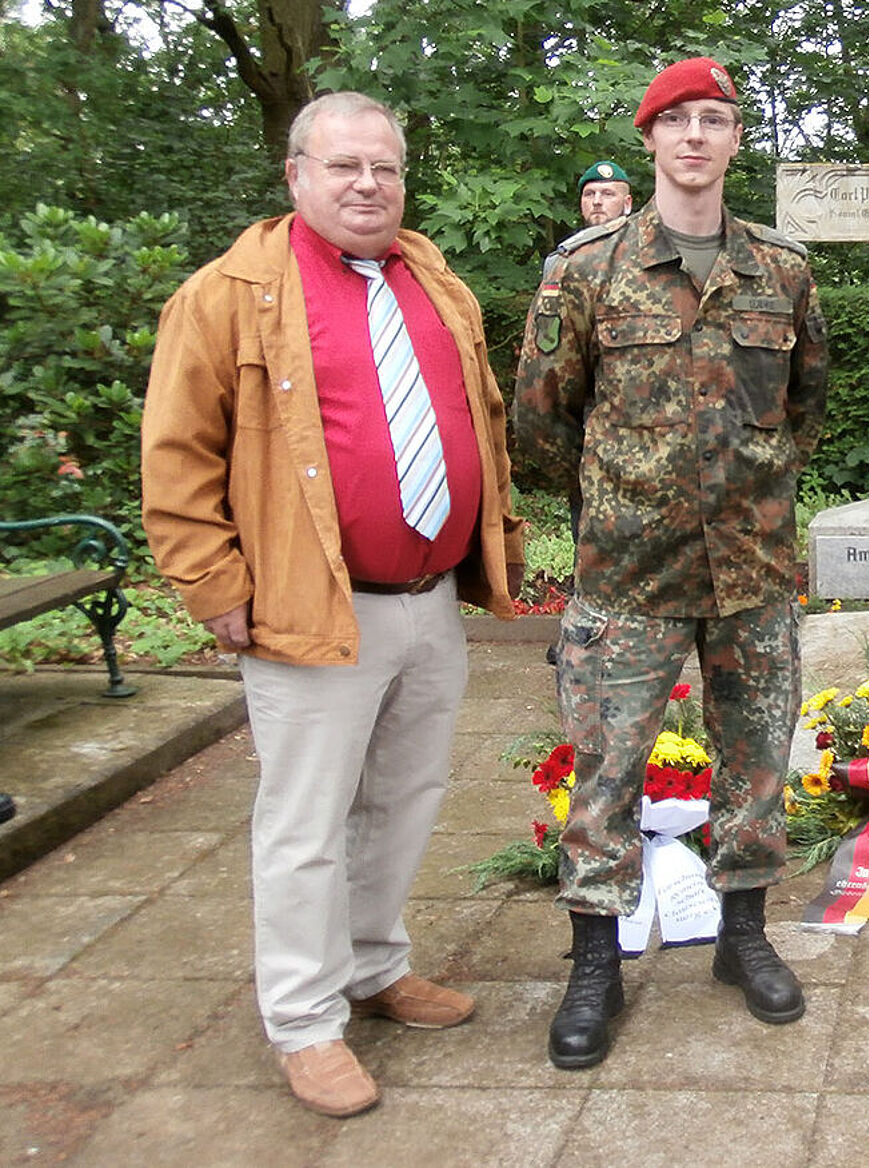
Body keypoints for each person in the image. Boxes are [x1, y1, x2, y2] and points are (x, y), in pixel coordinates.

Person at [141, 91, 525, 1119]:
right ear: (297, 176)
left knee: (406, 797)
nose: (369, 185)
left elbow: (476, 418)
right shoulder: (228, 295)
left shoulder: (432, 279)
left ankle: (371, 964)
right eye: (346, 166)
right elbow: (177, 455)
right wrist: (212, 583)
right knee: (305, 823)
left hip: (430, 598)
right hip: (312, 604)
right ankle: (306, 1021)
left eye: (386, 168)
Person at [514, 56, 829, 1072]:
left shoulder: (782, 269)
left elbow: (805, 406)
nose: (696, 137)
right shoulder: (588, 267)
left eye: (716, 120)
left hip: (752, 573)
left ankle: (744, 938)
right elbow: (539, 418)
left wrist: (748, 489)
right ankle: (595, 963)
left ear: (737, 140)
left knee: (757, 764)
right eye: (677, 120)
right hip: (628, 578)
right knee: (605, 779)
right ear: (650, 139)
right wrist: (619, 497)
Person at [578, 160, 633, 226]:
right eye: (589, 194)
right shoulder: (574, 236)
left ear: (627, 203)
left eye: (607, 194)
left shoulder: (641, 235)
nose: (596, 202)